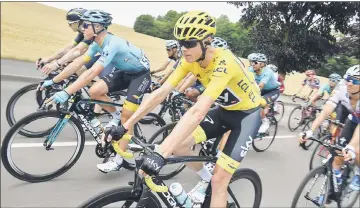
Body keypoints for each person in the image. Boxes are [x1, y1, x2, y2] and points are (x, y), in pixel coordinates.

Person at [105, 11, 262, 207]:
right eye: (180, 43)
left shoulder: (225, 63)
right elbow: (160, 93)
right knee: (179, 147)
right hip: (224, 111)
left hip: (246, 117)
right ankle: (205, 176)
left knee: (219, 181)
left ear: (207, 41)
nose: (183, 48)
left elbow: (198, 111)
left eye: (189, 43)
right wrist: (126, 125)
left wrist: (161, 154)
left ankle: (212, 182)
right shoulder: (190, 61)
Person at [44, 10, 151, 173]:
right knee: (95, 91)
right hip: (124, 71)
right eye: (82, 25)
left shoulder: (112, 43)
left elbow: (91, 73)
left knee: (127, 117)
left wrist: (66, 92)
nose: (82, 29)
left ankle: (119, 159)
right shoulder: (95, 44)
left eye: (86, 25)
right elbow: (77, 63)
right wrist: (54, 80)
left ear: (99, 27)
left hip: (140, 75)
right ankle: (115, 115)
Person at [300, 65, 360, 199]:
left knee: (355, 151)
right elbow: (326, 110)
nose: (350, 83)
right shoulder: (342, 89)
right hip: (353, 119)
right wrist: (310, 131)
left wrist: (351, 146)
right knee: (338, 155)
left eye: (355, 81)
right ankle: (332, 189)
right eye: (348, 79)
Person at [38, 8, 94, 75]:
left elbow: (78, 50)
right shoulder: (82, 33)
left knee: (79, 70)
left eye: (70, 23)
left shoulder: (90, 33)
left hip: (103, 57)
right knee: (70, 66)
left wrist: (56, 64)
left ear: (78, 22)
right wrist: (49, 59)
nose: (69, 26)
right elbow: (68, 48)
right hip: (95, 56)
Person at [248, 53, 280, 133]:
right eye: (251, 62)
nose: (252, 64)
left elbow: (261, 86)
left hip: (272, 91)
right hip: (261, 90)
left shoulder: (268, 72)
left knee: (260, 103)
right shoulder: (251, 69)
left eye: (255, 62)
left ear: (262, 64)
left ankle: (265, 122)